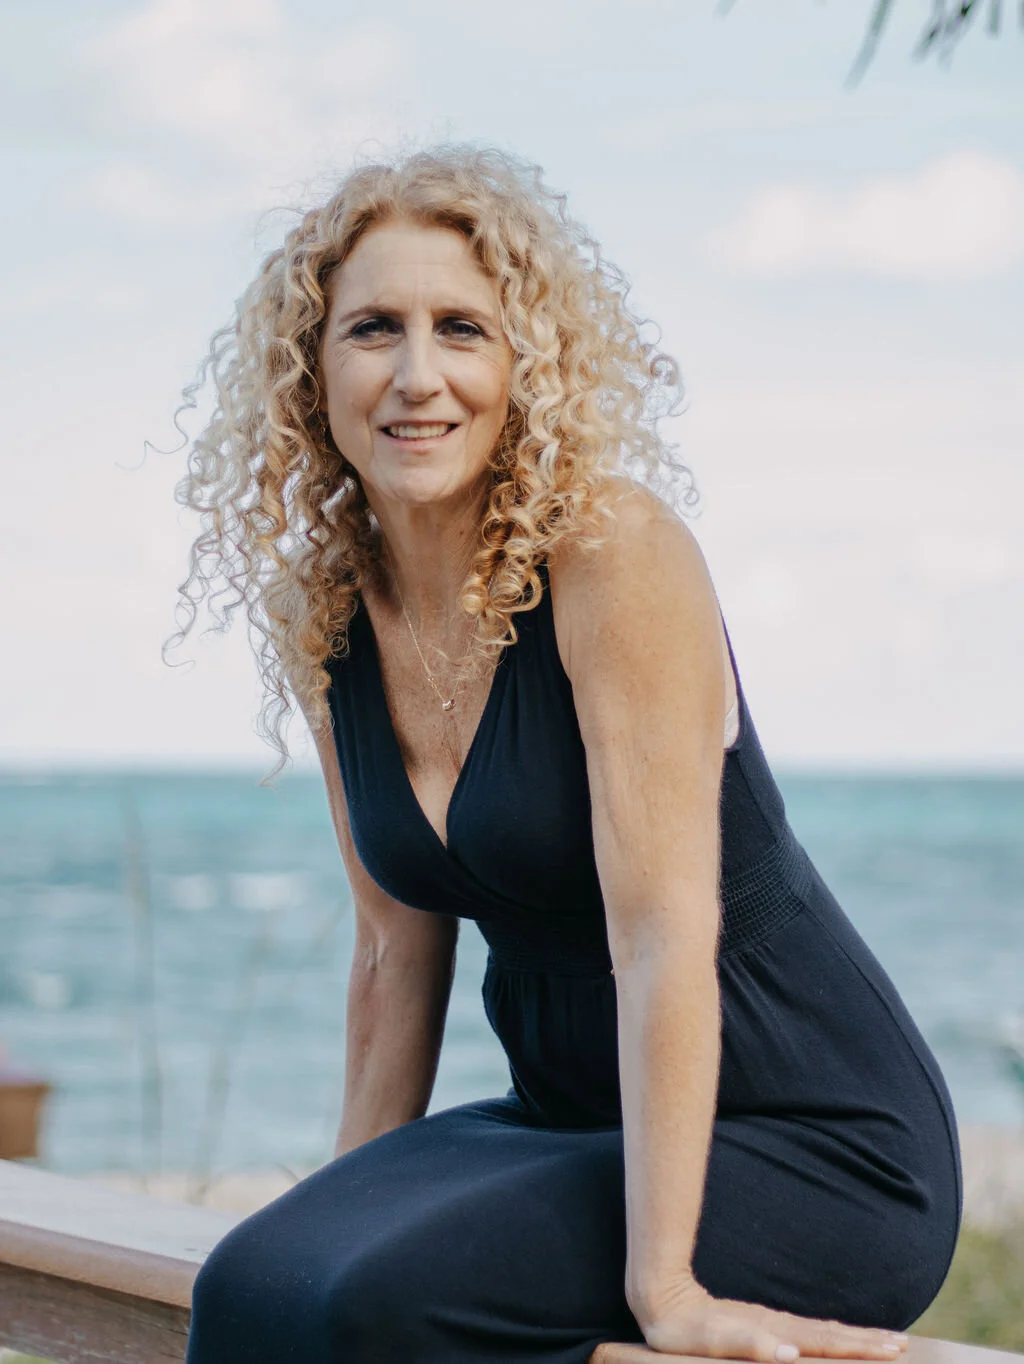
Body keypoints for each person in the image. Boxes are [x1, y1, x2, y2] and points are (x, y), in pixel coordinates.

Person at [177, 146, 961, 1364]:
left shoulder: (612, 554)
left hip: (809, 1138)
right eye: (374, 329)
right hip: (571, 1120)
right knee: (252, 1280)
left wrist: (667, 1286)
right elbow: (391, 947)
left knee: (372, 1305)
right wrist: (329, 1215)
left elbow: (660, 935)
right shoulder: (331, 608)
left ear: (525, 366)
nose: (418, 375)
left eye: (462, 329)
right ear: (310, 368)